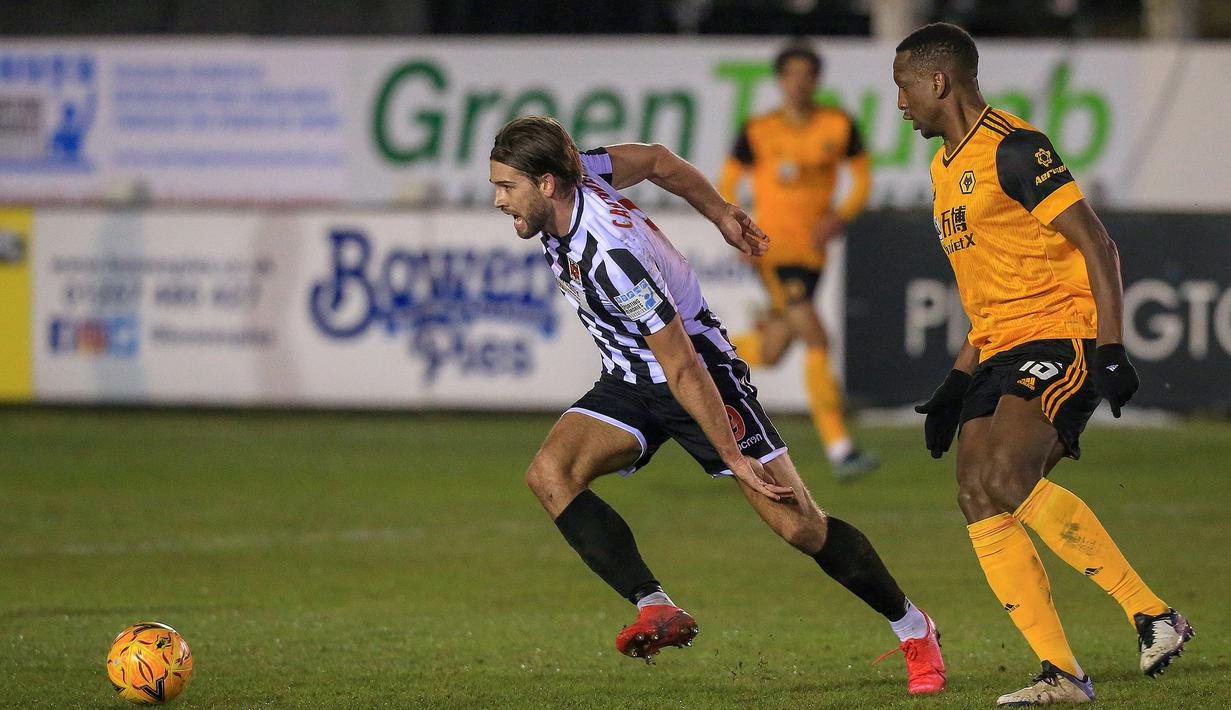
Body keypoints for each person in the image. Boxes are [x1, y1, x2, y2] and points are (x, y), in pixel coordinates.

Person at [489, 115, 946, 695]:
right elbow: (657, 160)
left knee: (799, 526)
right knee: (551, 474)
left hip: (700, 375)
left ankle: (914, 628)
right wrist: (723, 213)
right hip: (631, 376)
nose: (500, 201)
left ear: (547, 183)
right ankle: (655, 607)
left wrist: (735, 459)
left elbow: (682, 365)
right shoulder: (586, 170)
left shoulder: (610, 258)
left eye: (507, 187)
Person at [893, 23, 1194, 706]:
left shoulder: (1016, 148)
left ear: (937, 81)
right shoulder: (943, 168)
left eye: (903, 87)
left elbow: (1099, 245)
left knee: (1005, 474)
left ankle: (1153, 615)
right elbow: (988, 282)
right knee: (975, 492)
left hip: (1062, 336)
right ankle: (1062, 674)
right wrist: (956, 379)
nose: (900, 104)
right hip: (997, 346)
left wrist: (1110, 347)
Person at [718, 41, 877, 481]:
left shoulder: (838, 123)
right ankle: (841, 449)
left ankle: (706, 356)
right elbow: (728, 182)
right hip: (773, 251)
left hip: (813, 255)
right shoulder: (759, 129)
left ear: (816, 80)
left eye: (806, 74)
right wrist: (740, 231)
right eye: (791, 74)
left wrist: (841, 217)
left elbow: (862, 176)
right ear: (780, 80)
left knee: (772, 351)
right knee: (816, 336)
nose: (798, 83)